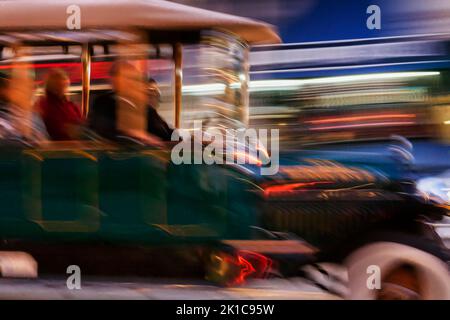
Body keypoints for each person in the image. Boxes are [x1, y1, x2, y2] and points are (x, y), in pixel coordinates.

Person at [89, 62, 165, 145]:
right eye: (127, 78)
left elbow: (163, 130)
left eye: (134, 78)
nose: (131, 83)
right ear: (114, 81)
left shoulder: (146, 108)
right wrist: (133, 135)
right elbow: (102, 129)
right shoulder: (104, 103)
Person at [36, 68, 83, 140]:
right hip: (57, 144)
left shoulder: (69, 105)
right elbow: (56, 128)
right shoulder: (45, 105)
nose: (65, 89)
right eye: (62, 86)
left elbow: (79, 122)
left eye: (66, 85)